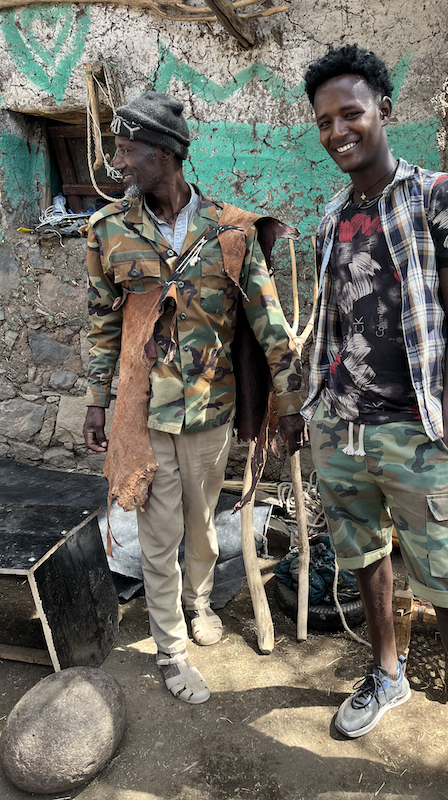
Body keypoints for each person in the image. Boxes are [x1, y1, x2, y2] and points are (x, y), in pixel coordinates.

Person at [300, 45, 448, 800]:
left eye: (352, 113)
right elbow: (332, 325)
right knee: (364, 558)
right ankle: (386, 674)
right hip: (342, 430)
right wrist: (317, 414)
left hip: (416, 431)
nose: (338, 130)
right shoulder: (332, 215)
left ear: (385, 112)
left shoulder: (441, 198)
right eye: (326, 120)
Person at [83, 91, 305, 705]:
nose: (120, 164)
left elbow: (268, 321)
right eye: (118, 150)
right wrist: (96, 401)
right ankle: (172, 649)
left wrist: (289, 405)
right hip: (143, 413)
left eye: (129, 151)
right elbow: (103, 323)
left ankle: (198, 599)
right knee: (157, 536)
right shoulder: (109, 233)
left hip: (211, 411)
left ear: (168, 153)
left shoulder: (231, 232)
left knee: (203, 526)